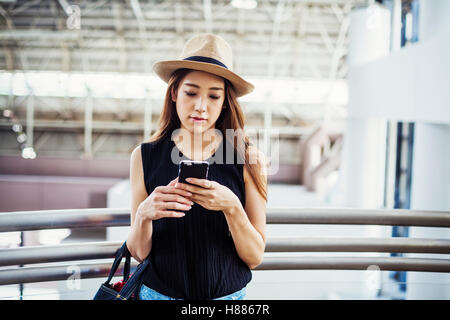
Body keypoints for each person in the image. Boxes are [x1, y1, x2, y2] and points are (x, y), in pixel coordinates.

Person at [126, 33, 268, 300]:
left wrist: (232, 207)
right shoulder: (144, 156)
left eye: (214, 96)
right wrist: (145, 214)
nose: (201, 106)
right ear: (174, 93)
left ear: (225, 102)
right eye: (191, 92)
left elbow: (254, 256)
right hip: (157, 295)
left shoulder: (249, 159)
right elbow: (139, 252)